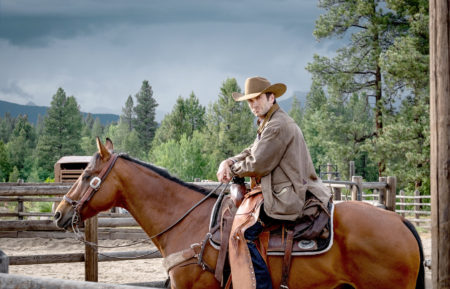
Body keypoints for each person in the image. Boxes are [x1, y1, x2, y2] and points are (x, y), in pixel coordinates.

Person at [216, 76, 331, 289]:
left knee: (243, 233)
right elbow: (253, 150)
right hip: (281, 189)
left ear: (271, 97)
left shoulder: (277, 125)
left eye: (257, 99)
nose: (253, 105)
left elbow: (258, 163)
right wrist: (230, 161)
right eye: (249, 101)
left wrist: (231, 170)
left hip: (286, 195)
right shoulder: (269, 122)